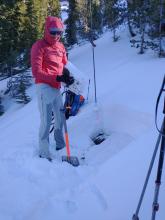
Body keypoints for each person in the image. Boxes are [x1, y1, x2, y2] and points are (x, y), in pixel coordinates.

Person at [31, 16, 74, 161]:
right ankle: (44, 152)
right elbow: (36, 72)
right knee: (47, 120)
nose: (56, 35)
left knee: (60, 117)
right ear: (47, 30)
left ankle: (60, 145)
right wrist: (57, 78)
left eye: (59, 32)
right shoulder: (39, 46)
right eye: (53, 31)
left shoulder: (61, 47)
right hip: (44, 86)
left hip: (56, 87)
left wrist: (67, 75)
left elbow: (65, 64)